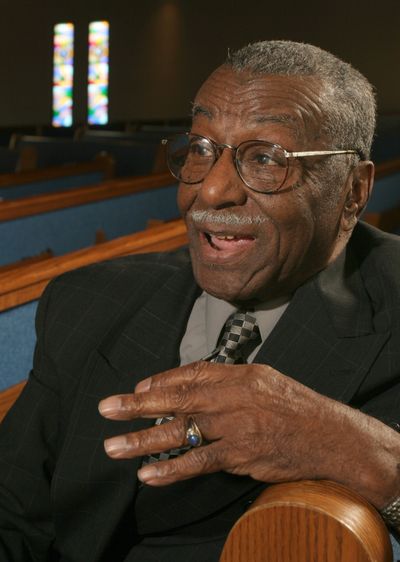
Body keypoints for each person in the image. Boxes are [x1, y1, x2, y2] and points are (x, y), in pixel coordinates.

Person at [0, 40, 399, 562]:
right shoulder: (89, 300)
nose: (210, 191)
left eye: (265, 158)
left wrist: (358, 452)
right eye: (201, 149)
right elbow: (13, 513)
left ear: (353, 190)